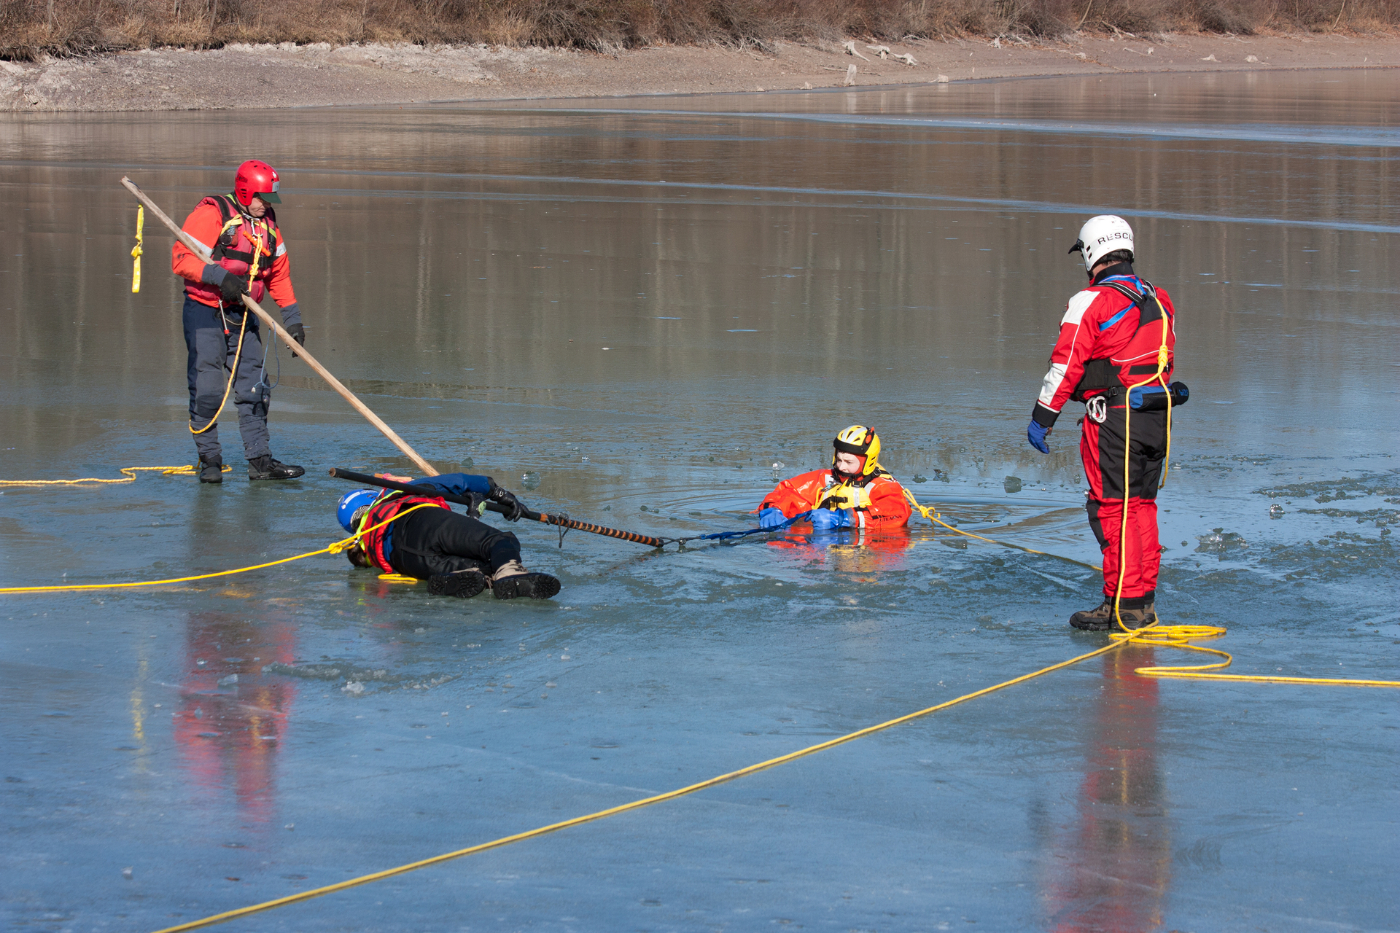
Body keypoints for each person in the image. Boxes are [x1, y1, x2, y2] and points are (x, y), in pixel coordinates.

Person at [1026, 215, 1177, 631]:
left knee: (1112, 510)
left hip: (1113, 421)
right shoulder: (1159, 298)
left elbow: (1066, 362)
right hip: (1154, 418)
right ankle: (1140, 601)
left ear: (1092, 252)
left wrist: (1043, 417)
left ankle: (1123, 608)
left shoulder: (1092, 300)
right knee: (1141, 507)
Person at [172, 159, 306, 484]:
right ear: (246, 192)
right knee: (207, 389)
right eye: (262, 198)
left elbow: (279, 275)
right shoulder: (212, 213)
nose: (267, 205)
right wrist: (219, 276)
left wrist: (293, 320)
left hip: (243, 317)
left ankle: (260, 462)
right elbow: (181, 258)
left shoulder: (268, 224)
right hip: (205, 311)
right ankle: (210, 462)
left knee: (255, 388)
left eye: (270, 199)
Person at [336, 473, 561, 600]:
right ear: (370, 498)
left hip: (406, 561)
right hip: (422, 523)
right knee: (500, 541)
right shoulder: (395, 493)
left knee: (481, 566)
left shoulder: (365, 548)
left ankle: (475, 574)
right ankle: (509, 572)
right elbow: (457, 480)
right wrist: (496, 492)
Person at [757, 426, 912, 532]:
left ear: (867, 461)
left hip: (865, 547)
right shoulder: (826, 478)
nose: (841, 467)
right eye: (838, 460)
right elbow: (789, 491)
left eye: (849, 462)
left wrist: (843, 518)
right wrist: (774, 509)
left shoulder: (881, 486)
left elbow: (897, 512)